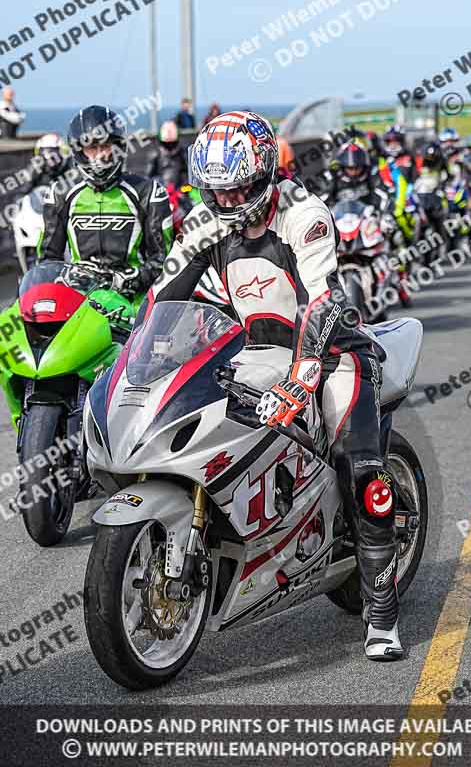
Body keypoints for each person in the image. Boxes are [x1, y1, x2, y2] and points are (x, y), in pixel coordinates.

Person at [146, 110, 404, 660]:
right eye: (217, 190)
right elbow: (165, 292)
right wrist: (138, 353)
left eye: (239, 188)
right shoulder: (206, 218)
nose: (229, 201)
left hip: (332, 353)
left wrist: (305, 375)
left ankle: (381, 615)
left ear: (264, 174)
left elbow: (323, 300)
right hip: (257, 351)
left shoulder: (303, 214)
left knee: (361, 471)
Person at [38, 105, 173, 294]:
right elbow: (47, 261)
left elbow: (164, 259)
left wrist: (134, 279)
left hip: (133, 306)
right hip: (79, 301)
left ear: (118, 148)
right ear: (79, 150)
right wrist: (64, 279)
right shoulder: (60, 193)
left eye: (106, 146)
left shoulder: (148, 192)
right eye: (92, 147)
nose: (100, 155)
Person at [147, 121, 188, 187]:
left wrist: (185, 186)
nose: (170, 147)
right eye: (167, 144)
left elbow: (187, 172)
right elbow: (149, 177)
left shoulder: (183, 152)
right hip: (161, 190)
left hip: (181, 190)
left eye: (172, 144)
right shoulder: (155, 153)